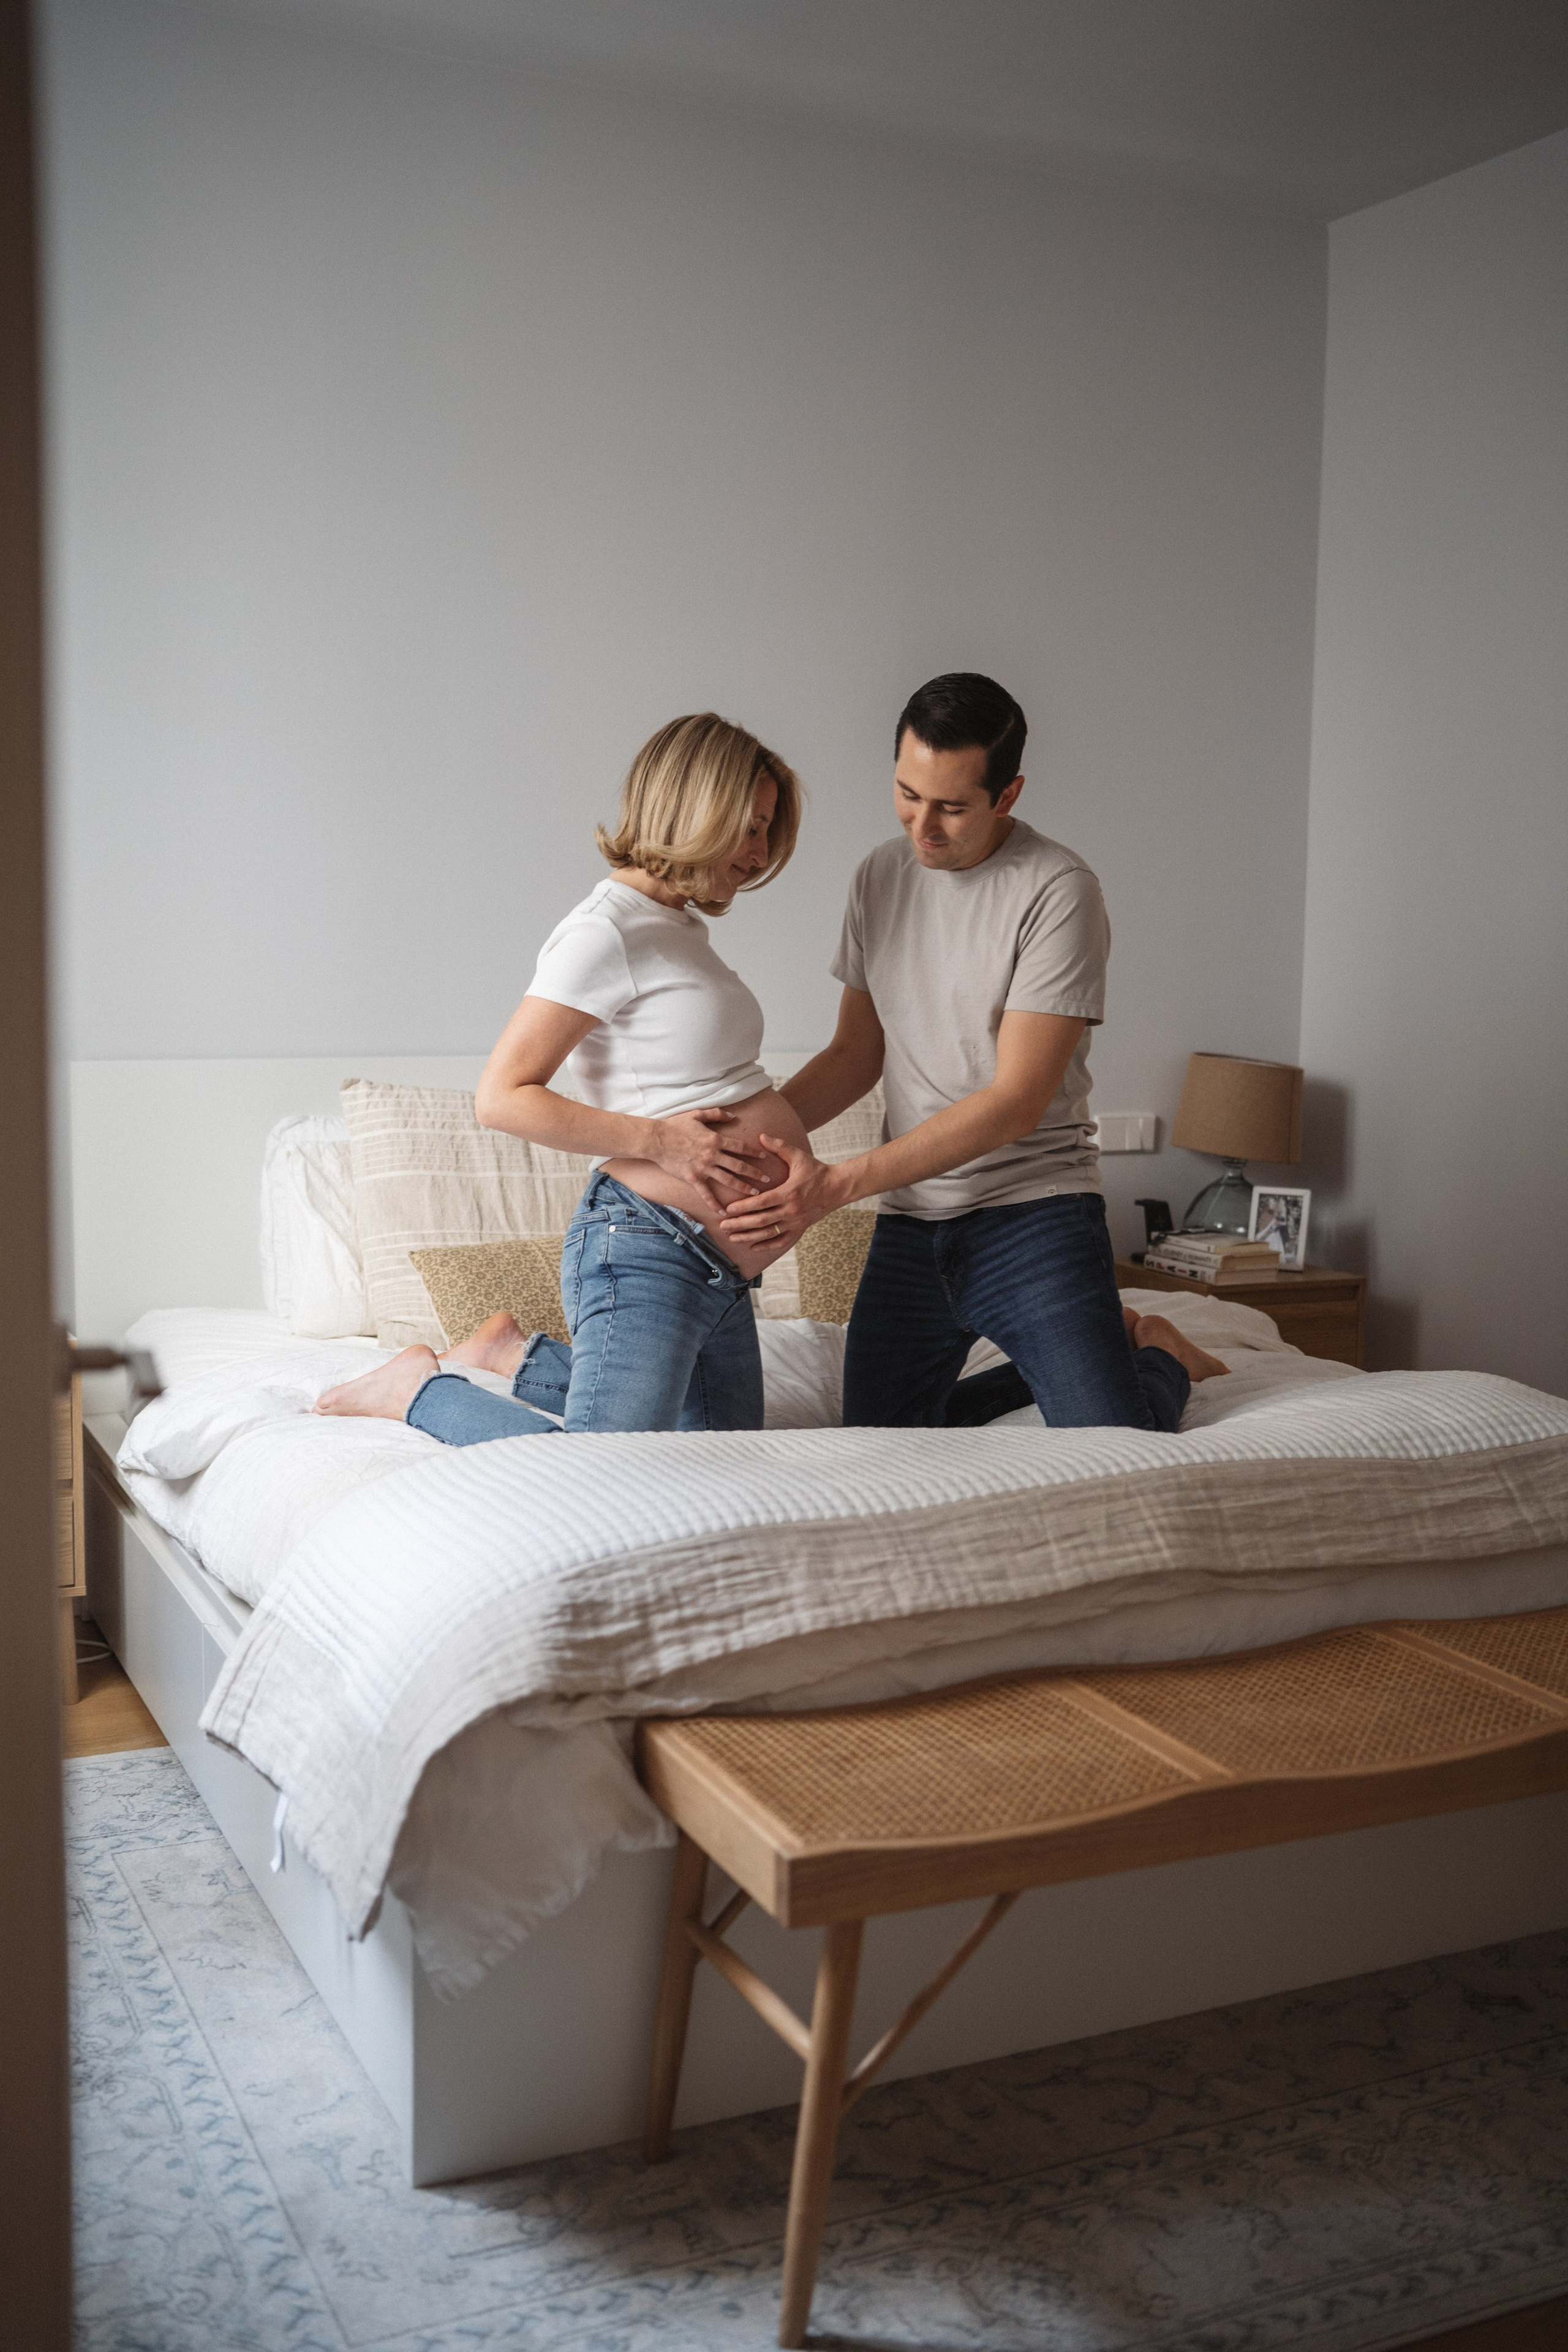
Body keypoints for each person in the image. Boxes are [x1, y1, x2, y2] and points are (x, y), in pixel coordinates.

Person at [718, 671, 1227, 1429]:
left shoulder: (1059, 891)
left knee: (1117, 1441)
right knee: (880, 1441)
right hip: (912, 1221)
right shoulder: (878, 877)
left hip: (1035, 1214)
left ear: (1008, 795)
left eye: (952, 807)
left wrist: (838, 1185)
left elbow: (1015, 1101)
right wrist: (743, 1138)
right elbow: (856, 1055)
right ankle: (1079, 1357)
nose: (922, 826)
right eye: (907, 794)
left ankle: (1155, 1353)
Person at [315, 712, 809, 1442]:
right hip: (647, 1249)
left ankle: (516, 1357)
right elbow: (503, 1097)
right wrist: (663, 1144)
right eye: (748, 827)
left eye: (767, 829)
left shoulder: (675, 927)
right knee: (599, 1473)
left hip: (718, 1274)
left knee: (719, 1471)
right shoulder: (603, 930)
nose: (760, 853)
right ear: (693, 810)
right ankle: (416, 1388)